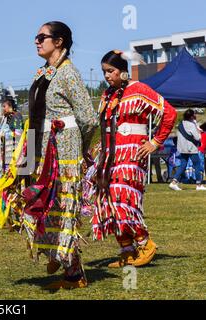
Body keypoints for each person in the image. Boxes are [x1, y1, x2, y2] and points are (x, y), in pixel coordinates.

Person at [9, 21, 98, 289]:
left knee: (62, 209)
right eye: (36, 37)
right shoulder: (46, 72)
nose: (36, 41)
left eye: (42, 37)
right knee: (46, 207)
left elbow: (89, 118)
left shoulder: (68, 73)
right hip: (42, 150)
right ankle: (65, 262)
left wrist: (80, 148)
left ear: (59, 42)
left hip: (64, 153)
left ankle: (73, 272)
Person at [86, 50, 177, 270]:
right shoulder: (108, 95)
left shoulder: (138, 89)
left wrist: (155, 142)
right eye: (104, 72)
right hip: (110, 156)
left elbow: (169, 113)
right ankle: (127, 251)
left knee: (122, 199)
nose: (107, 76)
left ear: (123, 71)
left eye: (111, 71)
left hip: (132, 155)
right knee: (106, 200)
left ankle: (145, 244)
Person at [169, 109, 206, 191]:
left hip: (182, 148)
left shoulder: (181, 124)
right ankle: (199, 185)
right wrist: (198, 130)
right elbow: (198, 137)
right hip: (191, 148)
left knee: (183, 165)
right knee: (197, 165)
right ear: (192, 116)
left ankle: (173, 182)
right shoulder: (191, 125)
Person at [0, 99, 24, 174]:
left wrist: (7, 134)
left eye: (4, 106)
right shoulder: (7, 116)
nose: (3, 108)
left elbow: (19, 133)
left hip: (14, 147)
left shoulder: (17, 115)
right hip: (7, 146)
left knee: (13, 169)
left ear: (10, 106)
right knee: (6, 169)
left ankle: (14, 185)